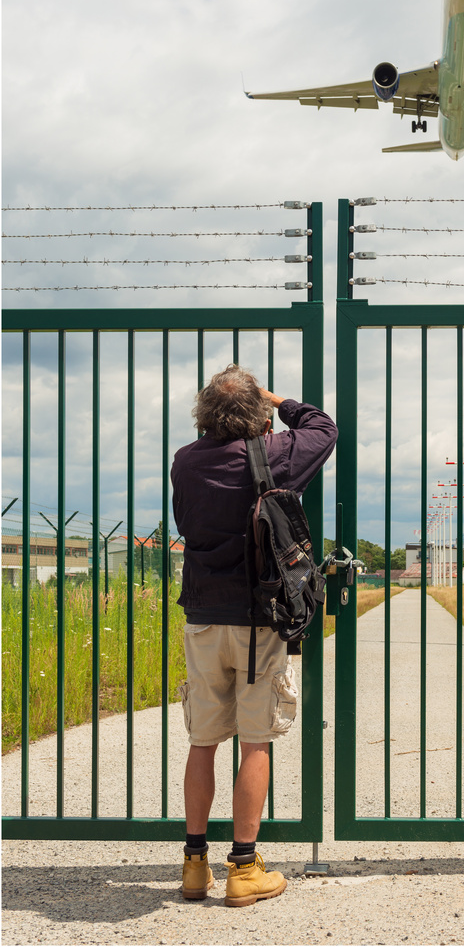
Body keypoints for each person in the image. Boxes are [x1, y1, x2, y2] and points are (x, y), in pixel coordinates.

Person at [171, 364, 337, 906]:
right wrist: (275, 400)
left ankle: (195, 866)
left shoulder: (185, 462)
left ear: (204, 413)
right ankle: (244, 868)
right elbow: (323, 426)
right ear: (257, 414)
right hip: (258, 620)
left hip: (202, 615)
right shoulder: (275, 456)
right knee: (255, 740)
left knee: (202, 740)